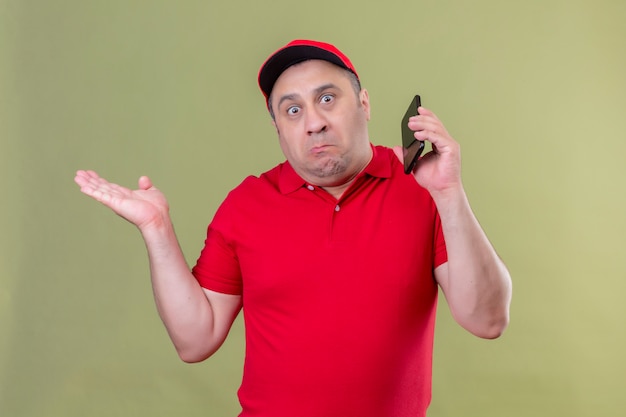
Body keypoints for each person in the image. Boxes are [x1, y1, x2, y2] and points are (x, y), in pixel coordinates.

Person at [74, 39, 512, 417]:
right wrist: (156, 229)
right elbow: (195, 340)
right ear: (278, 126)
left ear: (363, 104)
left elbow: (487, 319)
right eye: (292, 109)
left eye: (327, 99)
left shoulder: (424, 189)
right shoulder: (246, 204)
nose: (314, 122)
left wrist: (450, 192)